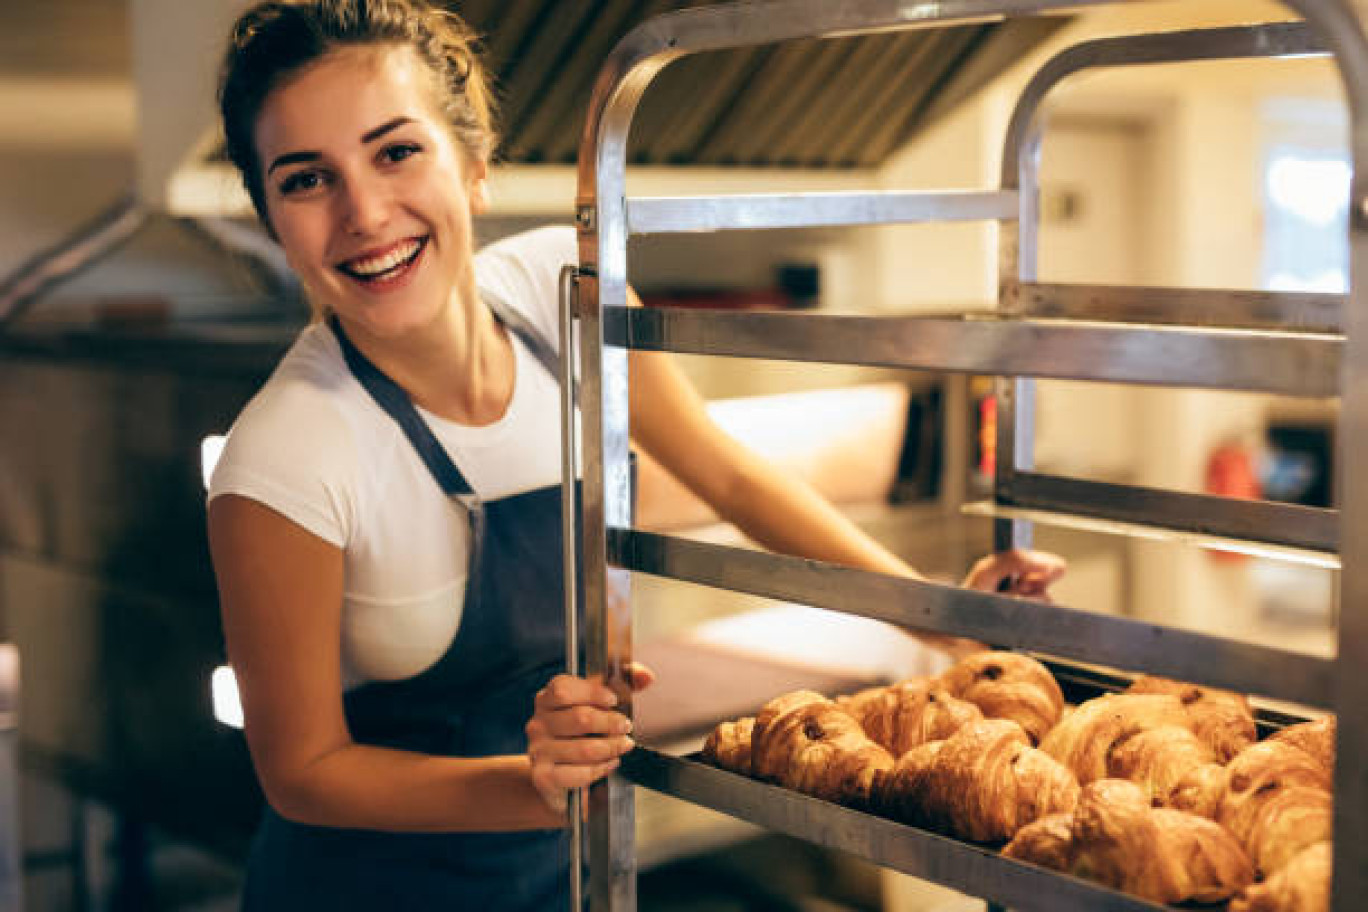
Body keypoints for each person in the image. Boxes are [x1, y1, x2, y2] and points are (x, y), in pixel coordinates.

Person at [205, 1, 1067, 908]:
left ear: (474, 165)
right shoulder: (285, 456)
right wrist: (532, 786)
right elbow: (302, 770)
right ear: (272, 219)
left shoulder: (558, 291)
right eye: (306, 180)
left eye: (395, 151)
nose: (364, 212)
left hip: (559, 875)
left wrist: (940, 613)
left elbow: (725, 471)